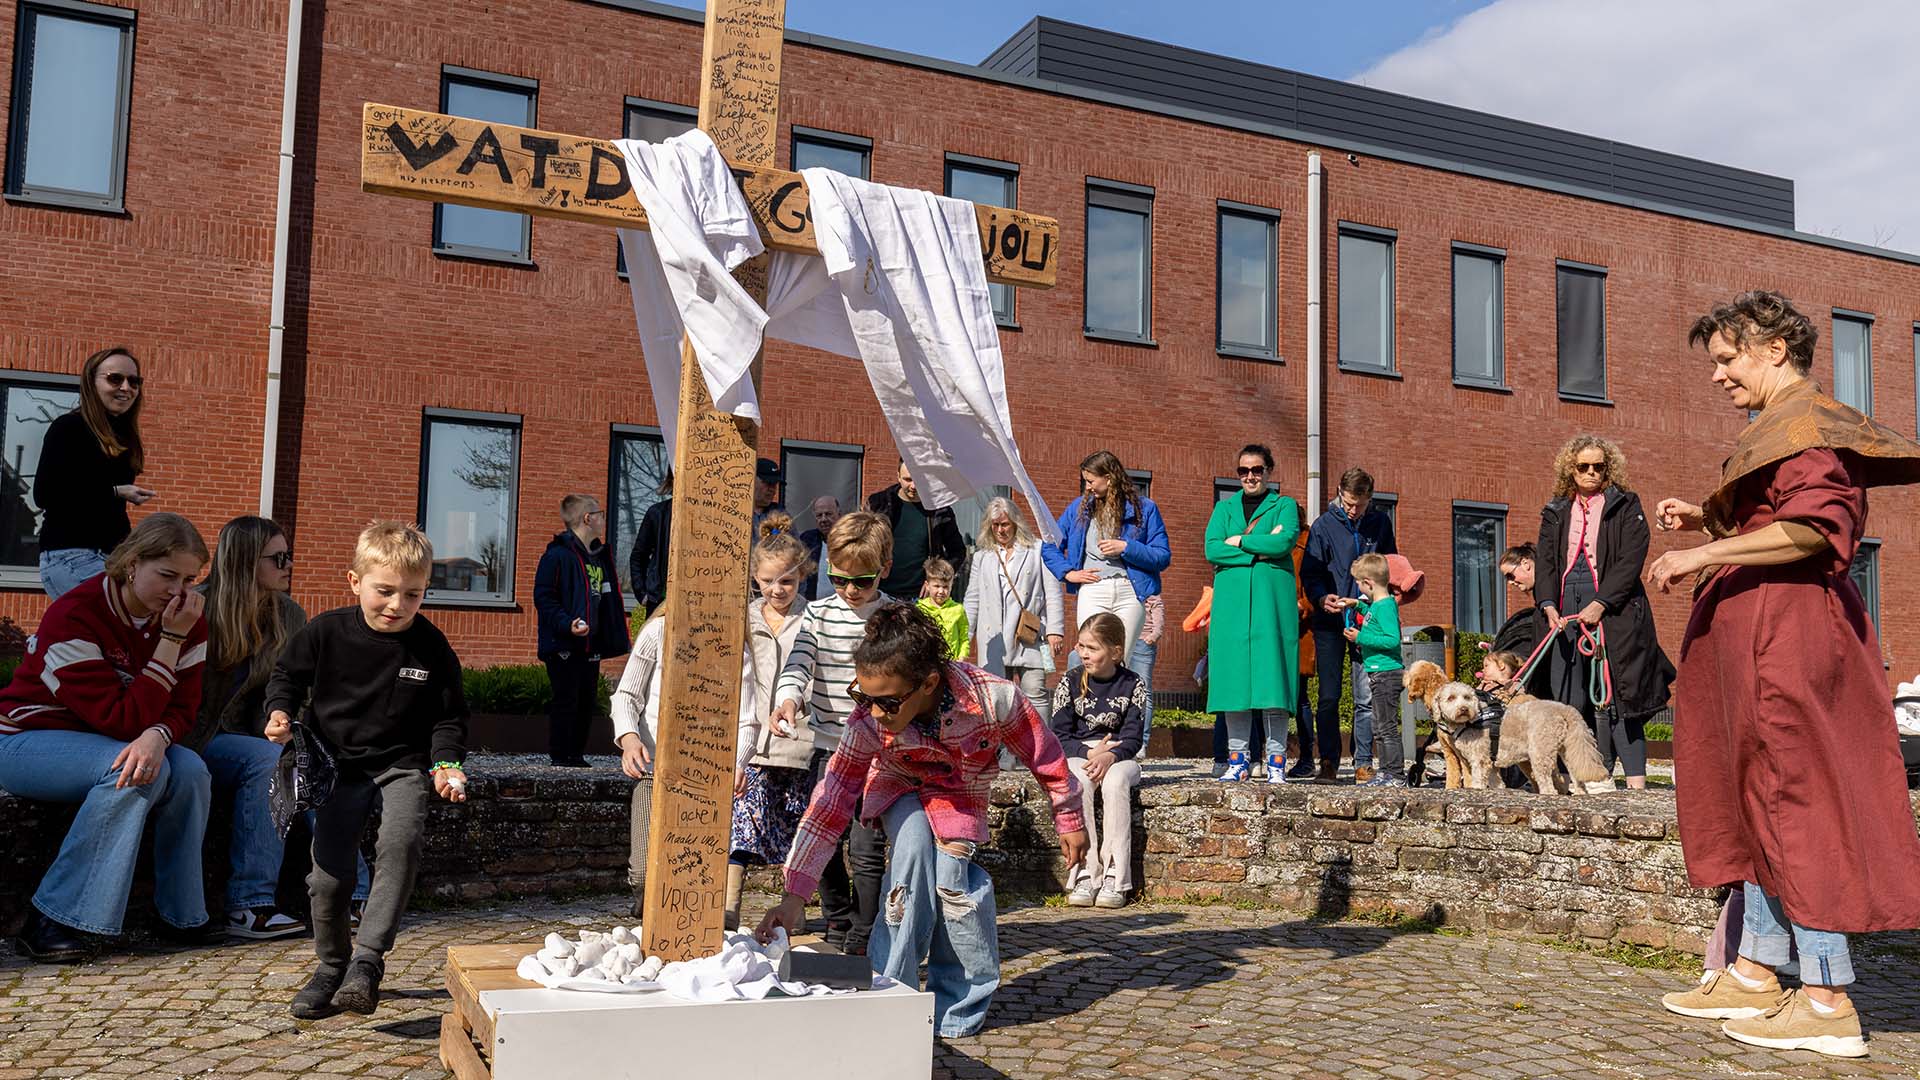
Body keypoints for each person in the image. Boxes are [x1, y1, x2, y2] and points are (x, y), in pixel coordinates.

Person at [1647, 291, 1920, 1057]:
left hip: (1787, 643)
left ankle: (1828, 998)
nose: (1718, 377)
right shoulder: (1783, 427)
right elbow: (1779, 513)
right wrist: (1709, 520)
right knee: (1758, 796)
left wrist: (1702, 554)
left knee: (1799, 798)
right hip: (1761, 641)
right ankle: (1759, 969)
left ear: (1774, 348)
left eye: (1728, 360)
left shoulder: (1806, 426)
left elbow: (1813, 528)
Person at [757, 604, 1087, 1038]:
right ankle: (891, 991)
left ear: (928, 683)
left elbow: (1044, 756)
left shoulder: (995, 699)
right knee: (911, 851)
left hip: (959, 795)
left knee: (953, 880)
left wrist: (1068, 816)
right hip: (895, 786)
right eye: (864, 697)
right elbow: (831, 802)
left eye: (887, 702)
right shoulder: (868, 723)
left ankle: (958, 1007)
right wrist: (794, 894)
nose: (874, 711)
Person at [264, 521, 470, 1019]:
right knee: (328, 876)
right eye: (385, 591)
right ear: (355, 581)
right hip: (335, 765)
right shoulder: (325, 631)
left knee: (400, 843)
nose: (397, 605)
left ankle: (367, 965)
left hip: (401, 763)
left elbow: (449, 716)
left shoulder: (431, 648)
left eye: (413, 594)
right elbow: (287, 676)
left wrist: (446, 765)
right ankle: (331, 966)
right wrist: (279, 712)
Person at [0, 513, 213, 963]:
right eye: (167, 575)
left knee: (190, 769)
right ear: (132, 564)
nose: (178, 592)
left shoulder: (188, 619)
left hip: (107, 739)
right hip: (25, 739)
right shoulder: (76, 613)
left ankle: (178, 913)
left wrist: (158, 733)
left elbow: (184, 708)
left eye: (189, 578)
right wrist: (169, 641)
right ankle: (53, 916)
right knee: (136, 770)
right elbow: (118, 719)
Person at [769, 511, 899, 954]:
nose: (848, 591)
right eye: (838, 578)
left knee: (866, 849)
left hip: (879, 753)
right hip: (827, 747)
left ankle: (864, 934)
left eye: (860, 582)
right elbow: (800, 661)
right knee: (819, 838)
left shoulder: (895, 616)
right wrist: (788, 699)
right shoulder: (819, 614)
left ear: (883, 568)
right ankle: (837, 918)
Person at [180, 515, 311, 939]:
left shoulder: (289, 615)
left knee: (304, 759)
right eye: (279, 558)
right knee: (271, 761)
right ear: (244, 560)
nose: (289, 565)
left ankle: (350, 897)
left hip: (247, 738)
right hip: (191, 738)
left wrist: (286, 721)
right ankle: (250, 905)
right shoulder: (197, 607)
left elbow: (296, 687)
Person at [1534, 436, 1674, 791]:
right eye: (1584, 466)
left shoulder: (1626, 504)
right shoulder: (1555, 509)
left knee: (1619, 697)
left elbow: (1631, 559)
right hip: (1565, 606)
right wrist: (1548, 604)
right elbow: (1546, 563)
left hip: (1616, 609)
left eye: (1599, 466)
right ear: (1571, 468)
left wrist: (1601, 604)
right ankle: (1577, 779)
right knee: (1570, 699)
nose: (1592, 473)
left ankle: (1636, 786)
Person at [610, 608, 757, 920]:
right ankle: (649, 925)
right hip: (653, 770)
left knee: (694, 871)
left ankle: (686, 936)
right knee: (645, 870)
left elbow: (747, 719)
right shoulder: (657, 633)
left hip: (707, 776)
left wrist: (740, 761)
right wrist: (629, 738)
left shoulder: (734, 645)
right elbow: (626, 695)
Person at [726, 530, 817, 930]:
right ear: (754, 578)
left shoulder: (812, 617)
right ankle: (729, 905)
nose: (776, 590)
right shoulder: (741, 617)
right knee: (741, 820)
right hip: (753, 739)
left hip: (799, 738)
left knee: (798, 828)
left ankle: (790, 908)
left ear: (802, 577)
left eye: (787, 581)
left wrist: (802, 705)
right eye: (767, 581)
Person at [1204, 444, 1301, 784]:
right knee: (1234, 684)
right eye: (1243, 471)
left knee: (1272, 682)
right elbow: (1210, 548)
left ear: (1268, 472)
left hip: (1270, 607)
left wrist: (1239, 543)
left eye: (1257, 470)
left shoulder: (1284, 506)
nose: (1250, 476)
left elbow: (1284, 543)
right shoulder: (1224, 508)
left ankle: (1276, 762)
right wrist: (1260, 545)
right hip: (1231, 607)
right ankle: (1238, 761)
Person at [35, 347, 157, 600]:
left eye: (134, 381)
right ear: (91, 382)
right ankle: (45, 640)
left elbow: (109, 512)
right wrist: (115, 491)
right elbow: (45, 494)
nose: (126, 387)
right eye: (115, 378)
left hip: (111, 556)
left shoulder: (122, 437)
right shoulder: (69, 428)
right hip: (71, 554)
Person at [1300, 467, 1396, 782]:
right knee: (1328, 695)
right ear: (1340, 492)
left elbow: (1391, 566)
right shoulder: (1324, 526)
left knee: (1365, 696)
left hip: (1365, 619)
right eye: (1349, 503)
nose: (1354, 511)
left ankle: (1363, 762)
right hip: (1329, 621)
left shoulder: (1380, 524)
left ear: (1370, 499)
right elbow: (1310, 573)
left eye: (1360, 505)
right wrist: (1319, 597)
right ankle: (1328, 761)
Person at [1051, 613, 1146, 908]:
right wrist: (1091, 753)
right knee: (1079, 779)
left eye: (1092, 648)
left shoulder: (1134, 684)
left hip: (1120, 755)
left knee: (1115, 780)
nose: (1083, 654)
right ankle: (1086, 873)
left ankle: (1116, 876)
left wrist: (1110, 755)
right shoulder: (1070, 681)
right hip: (1082, 752)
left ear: (1116, 652)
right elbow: (1059, 735)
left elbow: (1133, 739)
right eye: (1081, 646)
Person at [1042, 449, 1171, 660]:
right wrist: (1068, 573)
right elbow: (1049, 545)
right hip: (1093, 589)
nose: (1088, 487)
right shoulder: (1079, 509)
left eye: (1091, 481)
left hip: (1130, 592)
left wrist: (1126, 548)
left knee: (1120, 660)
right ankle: (1088, 694)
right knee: (1092, 656)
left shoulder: (1146, 509)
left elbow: (1162, 556)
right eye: (1085, 481)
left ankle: (1118, 694)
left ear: (1109, 478)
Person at [535, 495, 631, 767]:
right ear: (587, 518)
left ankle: (576, 755)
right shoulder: (557, 556)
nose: (603, 519)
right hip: (564, 644)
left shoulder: (599, 558)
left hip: (591, 645)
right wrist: (567, 624)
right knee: (567, 699)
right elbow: (544, 598)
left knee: (586, 700)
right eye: (600, 514)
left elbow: (607, 599)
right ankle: (561, 757)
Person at [963, 496, 1064, 722]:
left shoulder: (1037, 549)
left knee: (1035, 694)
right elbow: (973, 598)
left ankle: (1040, 749)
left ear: (1016, 523)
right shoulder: (982, 556)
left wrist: (1055, 629)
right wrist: (965, 636)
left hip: (1030, 635)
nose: (1000, 530)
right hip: (994, 638)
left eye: (1005, 524)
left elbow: (1053, 592)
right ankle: (1004, 754)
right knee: (998, 698)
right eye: (995, 525)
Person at [1342, 553, 1406, 788]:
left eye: (1359, 584)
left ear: (1368, 582)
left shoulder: (1385, 607)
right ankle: (1386, 773)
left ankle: (1396, 775)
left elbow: (1392, 640)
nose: (1359, 587)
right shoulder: (1377, 605)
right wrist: (1356, 603)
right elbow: (1373, 615)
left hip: (1386, 674)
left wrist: (1361, 636)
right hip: (1378, 672)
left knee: (1386, 728)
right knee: (1379, 727)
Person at [868, 460, 967, 601]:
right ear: (898, 476)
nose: (913, 486)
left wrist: (936, 579)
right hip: (880, 592)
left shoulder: (940, 510)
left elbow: (957, 551)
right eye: (908, 479)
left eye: (919, 480)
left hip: (921, 598)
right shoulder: (879, 503)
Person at [627, 471, 673, 614]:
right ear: (672, 480)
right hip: (659, 602)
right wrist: (642, 593)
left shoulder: (709, 517)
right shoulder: (657, 513)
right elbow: (638, 556)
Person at [916, 557, 969, 659]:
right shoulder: (920, 609)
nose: (941, 591)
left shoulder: (958, 610)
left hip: (953, 664)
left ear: (951, 586)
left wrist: (962, 657)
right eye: (936, 586)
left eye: (945, 587)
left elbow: (964, 638)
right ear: (927, 585)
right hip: (930, 664)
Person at [798, 495, 841, 601]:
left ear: (839, 514)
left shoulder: (851, 541)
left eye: (828, 514)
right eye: (819, 515)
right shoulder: (807, 540)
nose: (824, 519)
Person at [753, 458, 784, 533]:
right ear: (753, 480)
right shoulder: (736, 512)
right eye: (768, 483)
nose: (772, 489)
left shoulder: (780, 514)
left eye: (775, 484)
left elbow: (792, 542)